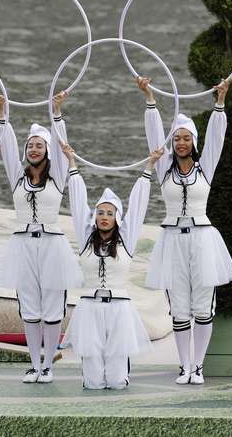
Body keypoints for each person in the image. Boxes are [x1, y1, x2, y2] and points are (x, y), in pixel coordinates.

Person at [140, 76, 232, 385]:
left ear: (194, 142)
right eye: (177, 138)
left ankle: (198, 366)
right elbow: (154, 135)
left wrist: (219, 102)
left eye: (186, 138)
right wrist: (150, 99)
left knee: (203, 306)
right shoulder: (163, 169)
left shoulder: (204, 168)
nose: (181, 143)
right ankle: (184, 366)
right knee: (179, 307)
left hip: (202, 239)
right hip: (172, 240)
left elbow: (217, 139)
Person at [0, 91, 83, 384]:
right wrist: (3, 113)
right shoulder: (17, 175)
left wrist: (56, 113)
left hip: (53, 245)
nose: (33, 149)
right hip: (22, 244)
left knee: (53, 306)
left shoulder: (58, 176)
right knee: (29, 307)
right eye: (30, 145)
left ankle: (49, 366)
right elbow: (6, 143)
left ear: (47, 150)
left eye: (39, 145)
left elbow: (61, 142)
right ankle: (34, 365)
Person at [59, 139, 162, 389]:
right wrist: (72, 163)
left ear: (117, 217)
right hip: (90, 307)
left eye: (109, 213)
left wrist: (148, 167)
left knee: (116, 381)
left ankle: (120, 377)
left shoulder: (126, 239)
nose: (104, 217)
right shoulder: (86, 238)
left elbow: (138, 205)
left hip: (119, 309)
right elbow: (77, 200)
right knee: (93, 382)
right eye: (100, 213)